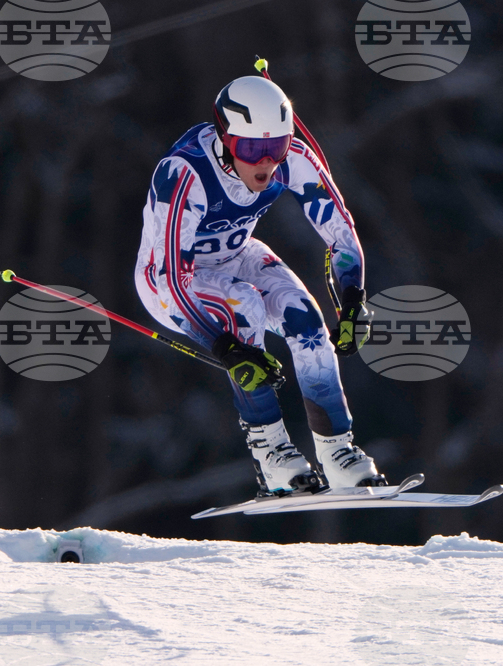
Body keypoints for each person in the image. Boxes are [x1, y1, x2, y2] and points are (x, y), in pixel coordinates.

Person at [134, 75, 384, 496]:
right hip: (168, 282)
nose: (266, 162)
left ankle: (338, 451)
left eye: (277, 147)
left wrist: (353, 299)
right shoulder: (185, 174)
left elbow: (340, 231)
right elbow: (174, 279)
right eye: (251, 149)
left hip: (238, 254)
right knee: (244, 307)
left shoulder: (292, 160)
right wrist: (225, 347)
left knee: (305, 319)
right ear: (226, 138)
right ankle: (272, 453)